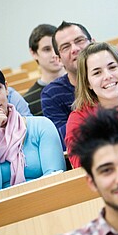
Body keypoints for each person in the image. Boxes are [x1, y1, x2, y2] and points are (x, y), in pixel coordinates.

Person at [0, 64, 66, 198]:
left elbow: (56, 178)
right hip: (0, 214)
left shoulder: (41, 126)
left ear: (6, 89)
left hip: (47, 202)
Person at [65, 42, 118, 168]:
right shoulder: (78, 122)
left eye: (112, 67)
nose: (108, 76)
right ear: (87, 83)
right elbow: (83, 170)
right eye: (97, 73)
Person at [41, 21, 93, 149]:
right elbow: (65, 141)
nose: (75, 49)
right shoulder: (51, 95)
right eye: (65, 47)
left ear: (92, 43)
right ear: (58, 59)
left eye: (79, 40)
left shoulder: (114, 73)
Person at [23, 24, 66, 116]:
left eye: (56, 47)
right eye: (47, 49)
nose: (54, 54)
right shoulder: (28, 102)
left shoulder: (82, 82)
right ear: (33, 53)